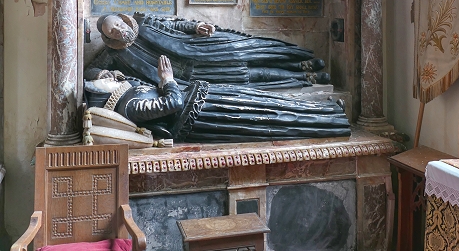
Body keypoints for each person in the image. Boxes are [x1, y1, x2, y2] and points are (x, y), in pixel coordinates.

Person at [85, 55, 350, 143]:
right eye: (103, 78)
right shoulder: (128, 106)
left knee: (266, 100)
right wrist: (168, 80)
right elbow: (172, 104)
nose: (109, 76)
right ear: (100, 91)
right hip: (208, 113)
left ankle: (325, 110)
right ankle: (331, 119)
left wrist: (166, 82)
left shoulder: (127, 92)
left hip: (207, 99)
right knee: (269, 113)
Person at [85, 12, 331, 89]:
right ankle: (304, 78)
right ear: (108, 38)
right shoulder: (114, 54)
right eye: (112, 32)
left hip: (199, 48)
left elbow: (174, 24)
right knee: (246, 76)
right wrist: (102, 74)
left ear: (124, 20)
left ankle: (300, 63)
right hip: (190, 75)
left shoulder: (144, 21)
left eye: (118, 25)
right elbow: (90, 70)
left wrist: (195, 26)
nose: (118, 30)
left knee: (248, 54)